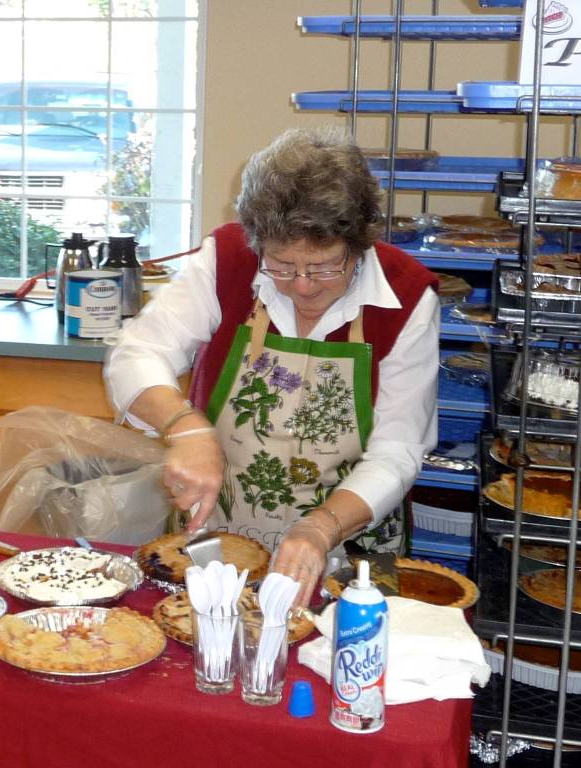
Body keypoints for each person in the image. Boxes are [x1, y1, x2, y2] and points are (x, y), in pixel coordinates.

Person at [104, 127, 439, 607]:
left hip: (352, 549)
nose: (302, 286)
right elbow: (136, 353)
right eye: (281, 265)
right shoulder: (225, 260)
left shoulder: (407, 297)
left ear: (360, 244)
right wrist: (185, 429)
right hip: (217, 540)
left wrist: (321, 526)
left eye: (325, 266)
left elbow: (398, 450)